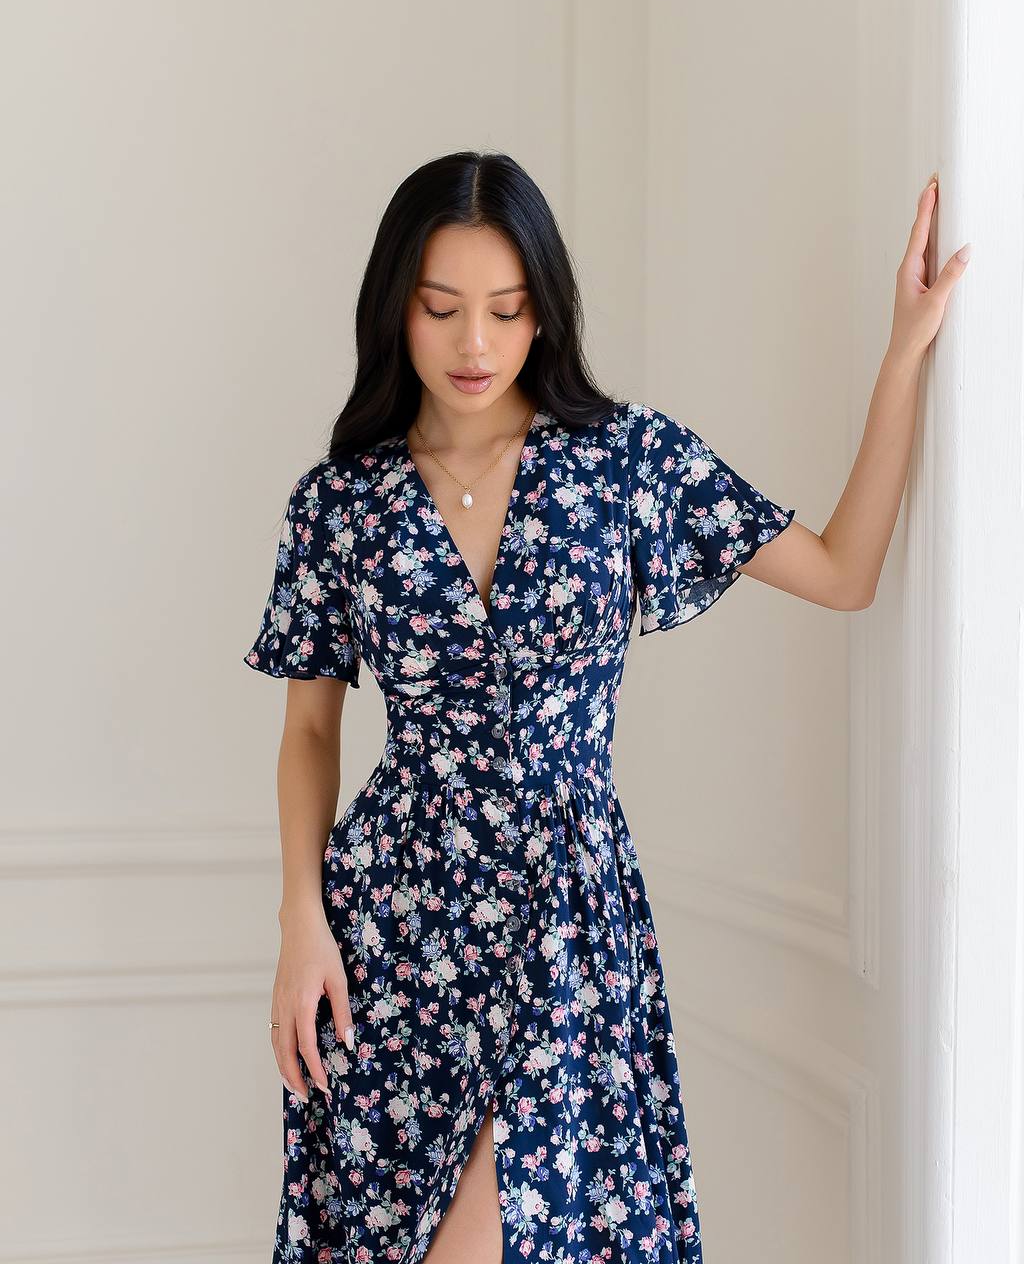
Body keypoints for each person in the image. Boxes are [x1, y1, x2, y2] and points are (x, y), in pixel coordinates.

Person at [242, 151, 967, 1264]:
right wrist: (301, 920)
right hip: (395, 912)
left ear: (546, 313)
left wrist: (904, 352)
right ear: (397, 307)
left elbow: (842, 567)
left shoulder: (624, 461)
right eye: (441, 309)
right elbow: (307, 729)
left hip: (568, 915)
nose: (474, 343)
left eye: (505, 308)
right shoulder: (341, 501)